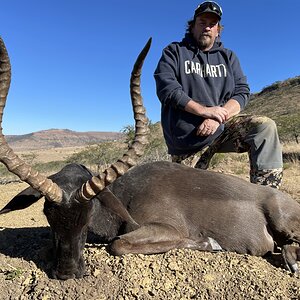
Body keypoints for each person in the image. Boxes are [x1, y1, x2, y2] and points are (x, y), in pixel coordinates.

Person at [154, 1, 283, 188]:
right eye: (202, 22)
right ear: (192, 26)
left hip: (221, 128)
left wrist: (218, 116)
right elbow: (168, 89)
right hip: (188, 138)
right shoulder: (174, 52)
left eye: (212, 24)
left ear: (218, 30)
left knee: (264, 128)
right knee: (187, 197)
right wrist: (204, 111)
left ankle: (267, 196)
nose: (207, 27)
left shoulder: (228, 57)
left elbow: (242, 91)